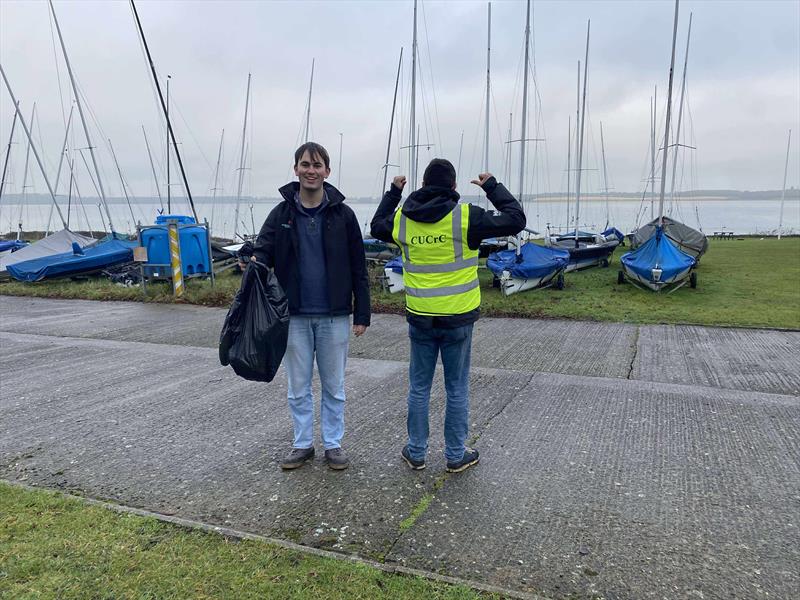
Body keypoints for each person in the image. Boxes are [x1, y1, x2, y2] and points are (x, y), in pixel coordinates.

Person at [370, 159, 525, 473]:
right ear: (453, 187)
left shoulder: (402, 220)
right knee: (456, 387)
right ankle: (455, 455)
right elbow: (515, 219)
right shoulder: (467, 217)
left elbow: (376, 226)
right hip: (458, 318)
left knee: (418, 387)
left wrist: (393, 194)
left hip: (421, 317)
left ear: (424, 185)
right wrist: (492, 187)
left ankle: (416, 452)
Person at [240, 142, 370, 471]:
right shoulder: (282, 214)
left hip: (335, 315)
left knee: (334, 386)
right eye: (305, 164)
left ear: (327, 171)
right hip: (293, 316)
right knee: (298, 386)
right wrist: (251, 257)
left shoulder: (344, 215)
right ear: (295, 169)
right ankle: (302, 444)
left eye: (317, 165)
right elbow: (264, 249)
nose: (311, 170)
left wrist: (362, 312)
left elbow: (359, 266)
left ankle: (333, 443)